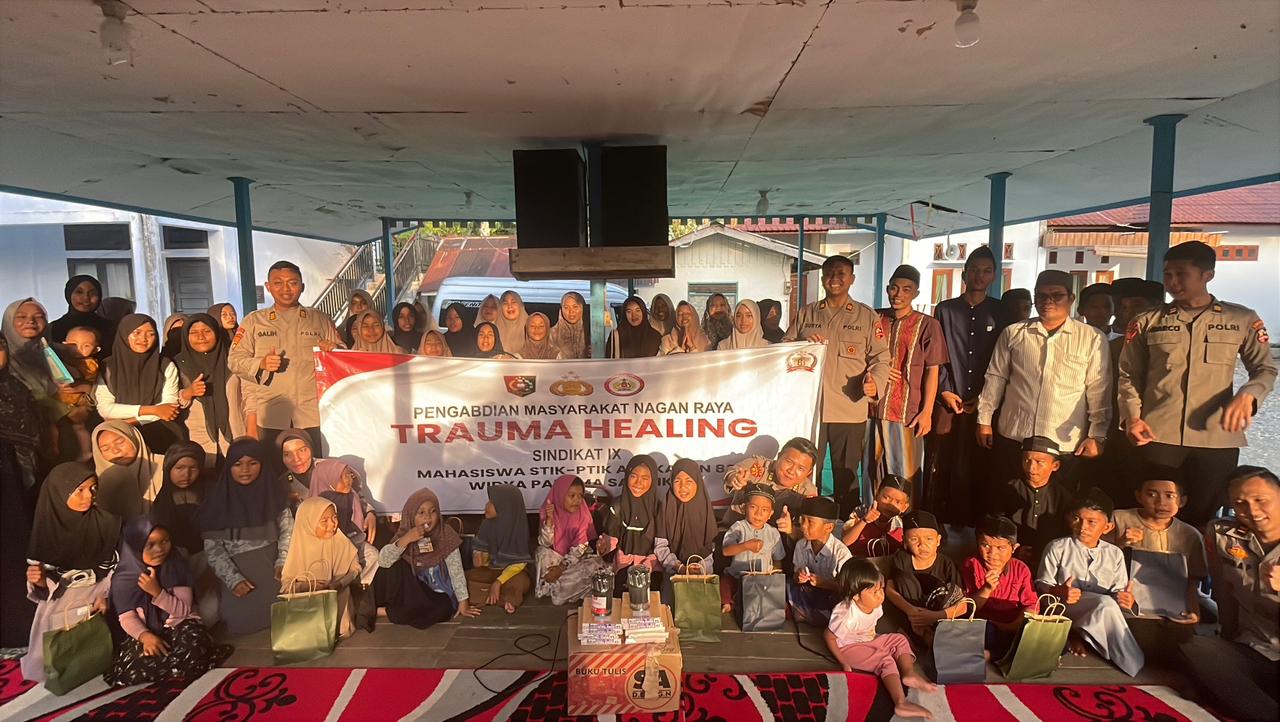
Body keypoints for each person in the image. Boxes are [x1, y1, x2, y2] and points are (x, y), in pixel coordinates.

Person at [1118, 241, 1276, 527]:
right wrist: (1132, 417)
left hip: (1215, 437)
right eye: (1168, 275)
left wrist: (1248, 395)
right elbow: (1129, 375)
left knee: (1204, 516)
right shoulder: (1147, 321)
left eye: (1181, 274)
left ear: (1207, 275)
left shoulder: (1241, 319)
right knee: (1152, 515)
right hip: (1157, 434)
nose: (1173, 282)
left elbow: (1264, 369)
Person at [978, 270, 1111, 493]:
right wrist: (984, 420)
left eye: (1057, 295)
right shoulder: (1014, 333)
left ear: (1071, 298)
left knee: (1060, 506)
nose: (1048, 301)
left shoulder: (1092, 338)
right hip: (1015, 435)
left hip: (1064, 443)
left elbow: (1099, 390)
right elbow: (995, 378)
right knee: (1007, 500)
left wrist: (1097, 435)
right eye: (1041, 296)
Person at [786, 255, 891, 519]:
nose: (835, 279)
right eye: (830, 274)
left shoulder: (866, 316)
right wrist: (802, 344)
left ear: (852, 279)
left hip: (849, 409)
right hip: (812, 409)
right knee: (806, 473)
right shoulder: (807, 313)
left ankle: (846, 525)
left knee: (846, 475)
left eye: (841, 274)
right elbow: (784, 349)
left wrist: (875, 382)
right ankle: (804, 523)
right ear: (822, 279)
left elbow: (881, 357)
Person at [1180, 466, 1279, 721]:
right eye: (1240, 503)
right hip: (1253, 647)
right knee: (1198, 649)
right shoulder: (1223, 534)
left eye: (1261, 500)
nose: (1252, 511)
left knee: (1202, 687)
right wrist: (1227, 636)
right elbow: (1223, 592)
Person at [228, 260, 343, 454]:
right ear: (268, 287)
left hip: (313, 415)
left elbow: (344, 357)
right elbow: (234, 360)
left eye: (292, 283)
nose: (286, 289)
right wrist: (260, 364)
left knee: (314, 465)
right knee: (273, 468)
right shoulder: (254, 321)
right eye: (278, 283)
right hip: (271, 415)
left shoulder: (320, 319)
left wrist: (334, 349)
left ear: (302, 286)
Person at [22, 463, 119, 682]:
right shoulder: (46, 531)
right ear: (59, 493)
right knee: (56, 657)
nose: (89, 496)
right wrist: (39, 581)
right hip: (61, 602)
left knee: (101, 650)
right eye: (80, 490)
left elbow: (120, 565)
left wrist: (106, 595)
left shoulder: (108, 523)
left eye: (93, 488)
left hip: (100, 596)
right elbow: (43, 588)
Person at [104, 518, 231, 686]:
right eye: (150, 544)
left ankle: (174, 666)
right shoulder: (123, 579)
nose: (160, 549)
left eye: (165, 541)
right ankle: (178, 666)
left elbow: (183, 611)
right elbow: (127, 618)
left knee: (193, 644)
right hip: (145, 631)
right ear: (135, 545)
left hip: (178, 624)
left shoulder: (176, 566)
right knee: (127, 668)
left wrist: (157, 592)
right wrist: (145, 636)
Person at [1036, 487, 1143, 677]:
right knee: (1105, 604)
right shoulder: (1057, 547)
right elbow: (1040, 586)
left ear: (1107, 527)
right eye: (1077, 519)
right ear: (1069, 519)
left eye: (1091, 522)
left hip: (1101, 614)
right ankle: (1133, 665)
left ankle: (1089, 642)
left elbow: (1118, 594)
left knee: (1107, 604)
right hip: (1065, 610)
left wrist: (1128, 600)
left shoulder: (1114, 553)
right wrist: (1058, 591)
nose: (1082, 527)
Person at [865, 265, 946, 503]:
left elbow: (933, 370)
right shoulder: (874, 319)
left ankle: (905, 523)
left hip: (906, 412)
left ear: (916, 293)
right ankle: (870, 519)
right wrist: (874, 370)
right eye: (894, 288)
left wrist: (927, 412)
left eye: (906, 289)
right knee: (872, 472)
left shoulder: (928, 325)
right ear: (887, 289)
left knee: (904, 474)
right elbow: (859, 355)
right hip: (871, 409)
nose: (898, 294)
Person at [198, 438, 293, 635]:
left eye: (253, 463)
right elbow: (213, 549)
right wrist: (233, 579)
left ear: (262, 464)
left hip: (274, 569)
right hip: (238, 574)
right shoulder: (218, 503)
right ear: (229, 467)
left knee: (286, 616)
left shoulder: (274, 495)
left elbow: (287, 531)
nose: (245, 470)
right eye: (237, 464)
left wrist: (282, 562)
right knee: (239, 622)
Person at [825, 559, 935, 720]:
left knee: (899, 639)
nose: (880, 595)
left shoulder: (876, 605)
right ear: (855, 596)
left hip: (868, 639)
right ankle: (900, 702)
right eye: (874, 592)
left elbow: (870, 629)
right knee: (885, 660)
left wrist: (877, 642)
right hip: (848, 647)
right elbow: (829, 637)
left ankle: (909, 673)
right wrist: (843, 662)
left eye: (881, 589)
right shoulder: (845, 615)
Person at [1107, 467, 1207, 624]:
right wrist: (1120, 544)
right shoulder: (1119, 519)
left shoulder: (1190, 535)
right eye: (1151, 494)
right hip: (1124, 602)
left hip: (1173, 605)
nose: (1161, 503)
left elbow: (1192, 581)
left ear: (1182, 501)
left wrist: (1194, 611)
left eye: (1170, 496)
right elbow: (1096, 561)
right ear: (1139, 496)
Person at [375, 487, 473, 628]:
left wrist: (463, 602)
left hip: (436, 593)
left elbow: (456, 570)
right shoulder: (405, 534)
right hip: (413, 590)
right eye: (421, 512)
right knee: (395, 564)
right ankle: (399, 609)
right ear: (410, 515)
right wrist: (406, 539)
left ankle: (388, 612)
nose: (428, 517)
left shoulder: (445, 534)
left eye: (433, 511)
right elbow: (383, 561)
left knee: (444, 609)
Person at [150, 442, 219, 625]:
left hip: (209, 556)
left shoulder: (212, 492)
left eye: (193, 468)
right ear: (168, 469)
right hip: (176, 563)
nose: (186, 475)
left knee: (210, 614)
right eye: (179, 468)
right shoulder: (161, 502)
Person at [95, 313, 184, 454]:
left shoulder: (165, 365)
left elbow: (168, 409)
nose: (143, 339)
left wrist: (127, 422)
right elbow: (105, 409)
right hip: (119, 438)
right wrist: (153, 410)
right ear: (124, 334)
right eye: (136, 333)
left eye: (150, 334)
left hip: (161, 433)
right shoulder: (107, 367)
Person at [1, 337, 41, 648]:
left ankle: (17, 632)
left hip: (12, 482)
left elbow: (33, 432)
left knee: (13, 552)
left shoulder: (16, 387)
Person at [281, 497, 363, 638]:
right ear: (308, 522)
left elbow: (355, 569)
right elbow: (286, 586)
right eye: (324, 521)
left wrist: (340, 583)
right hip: (307, 617)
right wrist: (306, 586)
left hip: (339, 614)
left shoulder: (341, 542)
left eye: (334, 518)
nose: (332, 524)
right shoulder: (299, 548)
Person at [5, 298, 75, 458]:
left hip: (67, 440)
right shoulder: (3, 358)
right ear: (9, 320)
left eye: (39, 316)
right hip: (22, 448)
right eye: (21, 317)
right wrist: (65, 411)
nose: (31, 321)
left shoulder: (54, 353)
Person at [962, 515, 1039, 658]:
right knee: (986, 634)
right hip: (985, 626)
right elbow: (968, 608)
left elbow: (1031, 606)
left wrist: (1012, 626)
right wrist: (987, 589)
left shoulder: (1021, 569)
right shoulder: (971, 565)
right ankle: (1000, 655)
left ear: (1014, 548)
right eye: (985, 545)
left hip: (1013, 626)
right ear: (977, 543)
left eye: (1001, 548)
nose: (992, 554)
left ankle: (995, 654)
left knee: (1052, 640)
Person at [885, 511, 966, 642]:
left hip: (939, 618)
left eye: (929, 539)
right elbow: (889, 589)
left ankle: (931, 640)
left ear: (938, 540)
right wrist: (911, 611)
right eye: (914, 539)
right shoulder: (901, 559)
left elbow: (963, 605)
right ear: (904, 541)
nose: (922, 545)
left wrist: (933, 616)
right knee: (906, 579)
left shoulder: (947, 565)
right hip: (909, 615)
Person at [175, 313, 244, 463]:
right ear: (186, 336)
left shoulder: (234, 360)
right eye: (194, 332)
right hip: (198, 441)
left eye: (207, 331)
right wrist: (188, 393)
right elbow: (169, 402)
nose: (201, 337)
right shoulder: (178, 364)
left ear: (216, 333)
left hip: (237, 436)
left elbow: (250, 396)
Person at [535, 474, 610, 605]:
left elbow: (580, 549)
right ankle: (563, 588)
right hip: (557, 556)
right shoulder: (550, 512)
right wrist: (549, 521)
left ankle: (556, 589)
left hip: (576, 560)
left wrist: (561, 568)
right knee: (542, 552)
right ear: (560, 495)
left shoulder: (583, 515)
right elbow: (545, 543)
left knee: (595, 566)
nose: (577, 500)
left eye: (580, 496)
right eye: (572, 496)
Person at [309, 460, 379, 596]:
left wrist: (370, 513)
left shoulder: (352, 495)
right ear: (329, 479)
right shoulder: (317, 504)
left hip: (351, 540)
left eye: (349, 475)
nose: (348, 481)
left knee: (372, 555)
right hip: (326, 549)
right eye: (343, 477)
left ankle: (356, 588)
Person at [721, 436, 818, 533]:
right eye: (789, 462)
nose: (791, 471)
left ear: (809, 472)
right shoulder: (758, 466)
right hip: (733, 533)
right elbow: (733, 473)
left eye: (801, 468)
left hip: (777, 540)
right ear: (779, 456)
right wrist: (735, 479)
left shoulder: (808, 492)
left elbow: (811, 530)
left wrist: (792, 530)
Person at [999, 436, 1070, 565]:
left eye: (1039, 462)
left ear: (1055, 465)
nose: (1031, 468)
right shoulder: (1008, 490)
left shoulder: (1063, 497)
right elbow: (996, 526)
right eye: (1026, 460)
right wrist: (1014, 548)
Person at [597, 455, 662, 594]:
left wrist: (646, 565)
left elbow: (662, 544)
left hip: (651, 569)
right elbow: (611, 539)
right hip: (622, 566)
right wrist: (603, 547)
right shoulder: (618, 505)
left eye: (645, 478)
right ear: (627, 476)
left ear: (653, 480)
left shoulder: (659, 509)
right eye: (633, 476)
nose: (638, 483)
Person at [467, 484, 536, 614]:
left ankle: (496, 596)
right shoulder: (486, 524)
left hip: (512, 573)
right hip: (491, 570)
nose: (487, 505)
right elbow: (480, 552)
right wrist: (479, 556)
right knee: (465, 579)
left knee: (521, 582)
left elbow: (519, 564)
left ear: (505, 507)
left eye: (492, 502)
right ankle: (500, 599)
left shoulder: (517, 527)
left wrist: (498, 582)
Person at [719, 484, 786, 614]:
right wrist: (745, 546)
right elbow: (725, 551)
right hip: (738, 576)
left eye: (764, 510)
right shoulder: (738, 527)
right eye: (753, 507)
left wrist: (775, 576)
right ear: (744, 508)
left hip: (762, 578)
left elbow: (777, 559)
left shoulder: (773, 533)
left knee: (777, 591)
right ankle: (727, 603)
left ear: (770, 514)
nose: (758, 513)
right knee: (725, 582)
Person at [654, 459, 719, 590]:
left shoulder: (704, 508)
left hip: (702, 577)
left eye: (689, 481)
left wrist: (699, 567)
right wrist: (678, 567)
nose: (682, 487)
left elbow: (710, 546)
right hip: (673, 577)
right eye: (677, 481)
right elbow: (660, 545)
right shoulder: (666, 508)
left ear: (698, 482)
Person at [789, 495, 851, 626]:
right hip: (809, 593)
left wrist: (824, 584)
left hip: (831, 597)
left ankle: (811, 615)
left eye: (810, 522)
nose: (803, 526)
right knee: (789, 586)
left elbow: (848, 588)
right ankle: (811, 615)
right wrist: (799, 576)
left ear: (829, 527)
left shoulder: (841, 552)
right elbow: (795, 576)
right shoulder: (801, 545)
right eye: (802, 520)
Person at [92, 420, 164, 518]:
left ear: (133, 437)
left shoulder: (167, 465)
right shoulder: (94, 487)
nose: (115, 451)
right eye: (106, 449)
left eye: (120, 442)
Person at [57, 326, 103, 462]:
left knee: (78, 426)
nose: (78, 349)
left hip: (79, 402)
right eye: (73, 344)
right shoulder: (61, 360)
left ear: (96, 350)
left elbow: (86, 379)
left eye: (86, 345)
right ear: (64, 345)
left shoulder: (89, 364)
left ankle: (85, 451)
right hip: (63, 401)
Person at [843, 474, 911, 557]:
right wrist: (864, 521)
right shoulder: (861, 512)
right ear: (877, 494)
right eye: (886, 498)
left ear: (904, 507)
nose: (890, 504)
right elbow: (845, 542)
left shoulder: (904, 525)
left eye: (898, 502)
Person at [49, 275, 115, 350]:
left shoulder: (110, 327)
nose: (86, 297)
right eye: (79, 292)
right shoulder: (53, 329)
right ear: (69, 294)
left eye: (92, 293)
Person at [277, 427, 318, 511]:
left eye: (301, 450)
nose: (296, 459)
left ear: (311, 449)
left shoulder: (331, 471)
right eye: (287, 454)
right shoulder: (282, 484)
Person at [549, 292, 590, 359]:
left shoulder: (592, 333)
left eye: (575, 307)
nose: (571, 311)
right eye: (566, 307)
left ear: (583, 308)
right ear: (561, 310)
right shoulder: (551, 335)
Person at [495, 290, 529, 356]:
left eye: (513, 302)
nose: (510, 306)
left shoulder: (534, 328)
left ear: (521, 306)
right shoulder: (492, 331)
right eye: (505, 303)